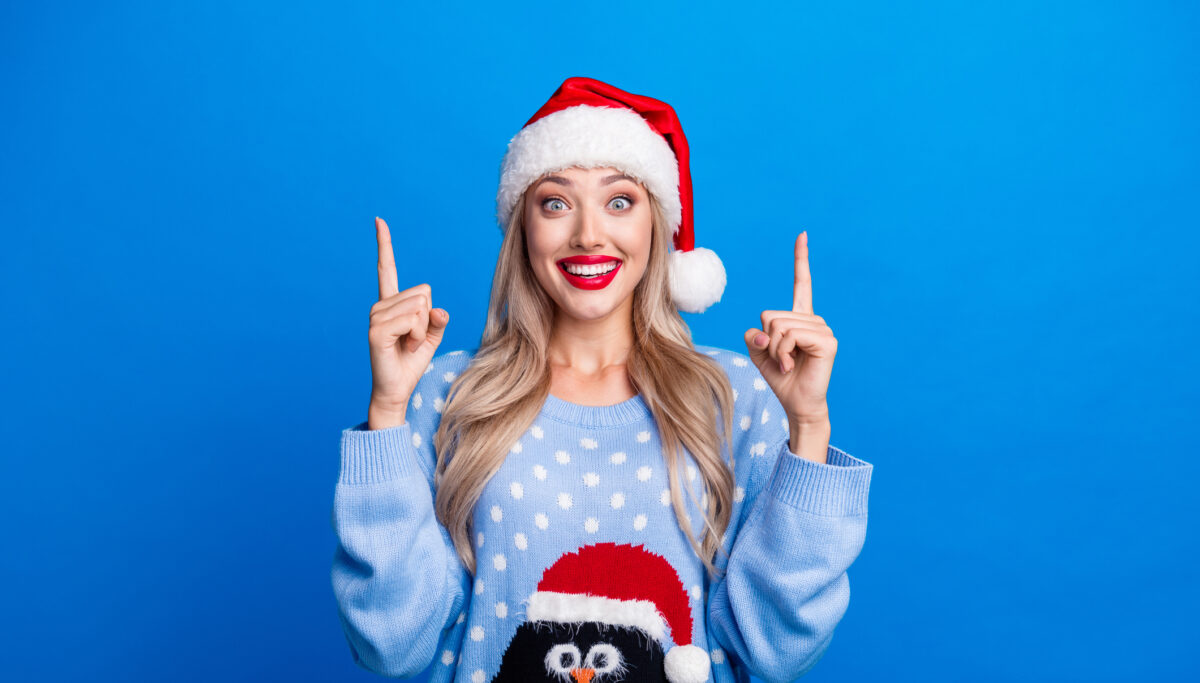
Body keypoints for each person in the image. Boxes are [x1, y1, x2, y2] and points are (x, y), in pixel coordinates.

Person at [330, 77, 874, 683]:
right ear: (524, 231)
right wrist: (386, 409)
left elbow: (776, 651)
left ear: (656, 227)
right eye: (556, 203)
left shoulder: (734, 397)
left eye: (619, 201)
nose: (588, 233)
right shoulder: (449, 395)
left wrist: (808, 427)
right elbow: (392, 644)